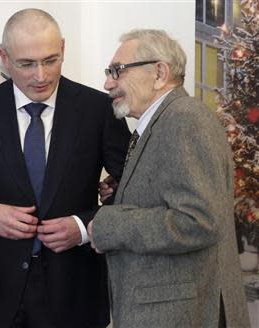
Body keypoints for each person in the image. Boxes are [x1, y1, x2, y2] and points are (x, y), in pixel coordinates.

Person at [0, 8, 131, 328]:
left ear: (63, 49)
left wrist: (83, 227)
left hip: (75, 290)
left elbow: (134, 190)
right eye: (26, 64)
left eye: (51, 60)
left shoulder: (98, 109)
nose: (41, 75)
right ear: (4, 58)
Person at [88, 29, 249, 327]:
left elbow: (198, 220)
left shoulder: (184, 118)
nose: (108, 82)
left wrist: (109, 224)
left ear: (159, 73)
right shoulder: (162, 122)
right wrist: (123, 194)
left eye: (117, 71)